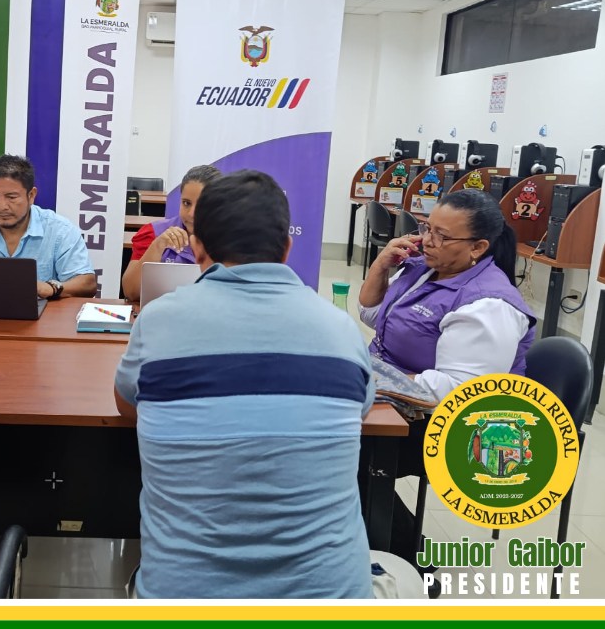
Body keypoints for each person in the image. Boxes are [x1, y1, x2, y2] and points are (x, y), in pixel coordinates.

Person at [114, 170, 375, 599]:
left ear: (198, 245)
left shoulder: (158, 321)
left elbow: (128, 406)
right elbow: (358, 411)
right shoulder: (342, 330)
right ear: (287, 247)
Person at [358, 188, 536, 568]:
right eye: (427, 228)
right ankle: (376, 544)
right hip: (404, 400)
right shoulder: (426, 267)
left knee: (343, 452)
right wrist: (380, 267)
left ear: (477, 247)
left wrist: (376, 377)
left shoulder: (488, 305)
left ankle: (411, 559)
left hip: (459, 427)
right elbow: (375, 317)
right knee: (332, 441)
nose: (427, 241)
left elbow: (457, 392)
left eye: (441, 236)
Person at [0, 154, 96, 300]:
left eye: (11, 197)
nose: (1, 206)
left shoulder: (60, 230)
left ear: (31, 195)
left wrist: (51, 288)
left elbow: (87, 283)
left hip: (43, 317)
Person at [121, 164, 220, 301]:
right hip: (161, 312)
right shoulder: (154, 233)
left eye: (202, 205)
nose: (191, 213)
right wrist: (157, 246)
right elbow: (130, 292)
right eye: (186, 203)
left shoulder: (231, 240)